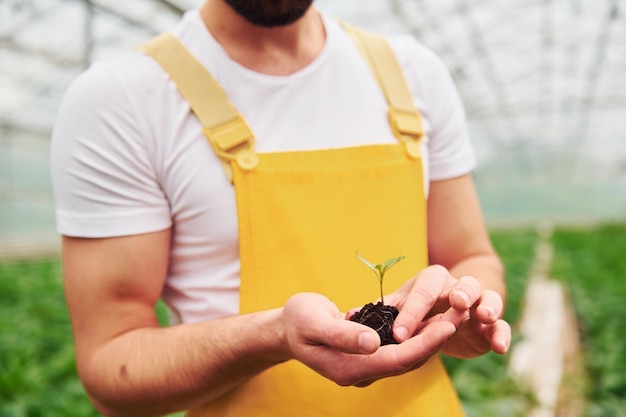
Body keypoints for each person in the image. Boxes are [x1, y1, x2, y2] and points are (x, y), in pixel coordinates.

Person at [50, 1, 511, 416]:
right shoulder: (122, 99)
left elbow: (472, 257)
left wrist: (465, 310)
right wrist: (273, 335)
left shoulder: (415, 74)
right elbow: (111, 364)